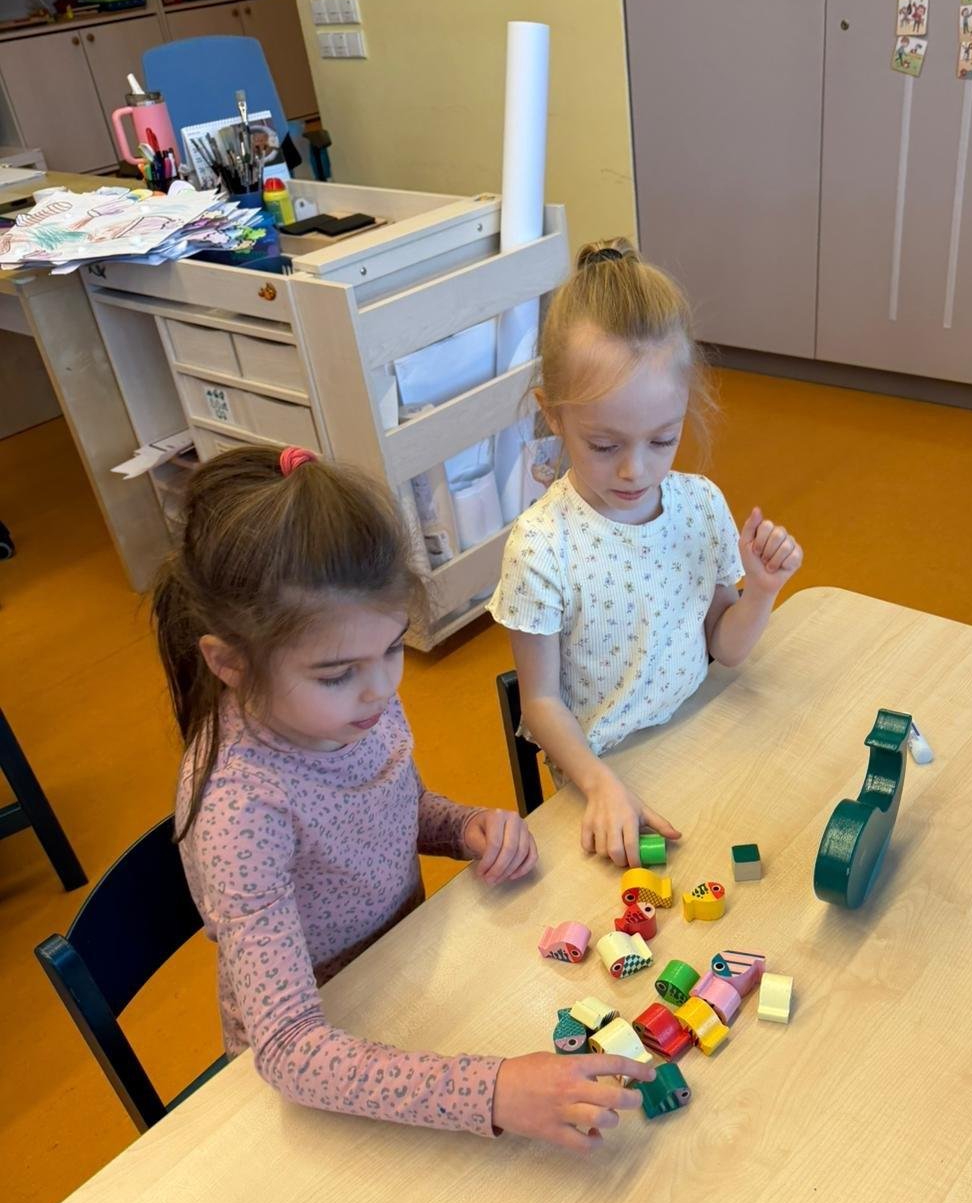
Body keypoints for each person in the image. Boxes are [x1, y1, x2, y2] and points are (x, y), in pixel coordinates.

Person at [153, 446, 651, 1152]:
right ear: (229, 662)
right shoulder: (240, 812)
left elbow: (393, 807)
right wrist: (493, 1092)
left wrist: (464, 827)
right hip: (330, 1050)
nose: (381, 689)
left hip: (404, 975)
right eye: (336, 674)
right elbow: (289, 1049)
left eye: (391, 650)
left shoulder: (354, 703)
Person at [488, 241, 803, 868]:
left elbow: (725, 647)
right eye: (605, 445)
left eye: (663, 439)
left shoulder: (700, 505)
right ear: (553, 415)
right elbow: (541, 704)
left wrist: (763, 591)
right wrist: (600, 784)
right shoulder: (543, 545)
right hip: (602, 770)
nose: (636, 470)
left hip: (699, 731)